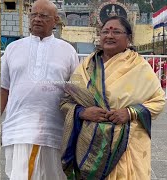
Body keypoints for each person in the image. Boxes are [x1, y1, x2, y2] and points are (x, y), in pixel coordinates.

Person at [60, 16, 165, 180]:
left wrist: (130, 112)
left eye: (116, 32)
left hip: (126, 145)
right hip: (91, 148)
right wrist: (82, 112)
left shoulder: (139, 67)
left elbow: (158, 101)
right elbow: (66, 102)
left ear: (128, 39)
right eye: (105, 31)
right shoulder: (85, 66)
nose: (109, 36)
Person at [0, 0, 80, 179]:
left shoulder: (68, 51)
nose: (37, 19)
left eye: (43, 16)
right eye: (33, 15)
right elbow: (4, 89)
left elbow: (75, 90)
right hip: (18, 127)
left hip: (54, 128)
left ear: (55, 20)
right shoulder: (12, 49)